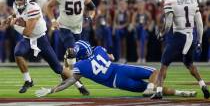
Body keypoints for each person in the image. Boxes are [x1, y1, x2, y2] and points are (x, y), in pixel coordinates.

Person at [35, 40, 197, 98]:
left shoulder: (80, 67)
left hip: (118, 83)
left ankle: (182, 93)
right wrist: (106, 55)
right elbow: (112, 57)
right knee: (155, 74)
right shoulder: (98, 49)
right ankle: (176, 92)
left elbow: (68, 82)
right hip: (120, 70)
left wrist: (51, 90)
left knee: (152, 89)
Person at [0, 0, 71, 93]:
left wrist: (13, 24)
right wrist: (8, 19)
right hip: (27, 39)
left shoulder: (33, 8)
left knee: (57, 68)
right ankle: (28, 80)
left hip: (40, 39)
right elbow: (16, 13)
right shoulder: (16, 6)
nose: (18, 2)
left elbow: (28, 31)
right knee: (18, 52)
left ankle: (78, 83)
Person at [151, 0, 210, 99]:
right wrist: (199, 41)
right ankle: (203, 85)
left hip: (178, 38)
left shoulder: (170, 2)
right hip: (191, 37)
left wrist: (161, 34)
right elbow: (199, 24)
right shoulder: (193, 0)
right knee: (190, 64)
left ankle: (158, 91)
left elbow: (168, 24)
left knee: (164, 65)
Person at [46, 0, 96, 95]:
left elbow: (92, 7)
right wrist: (53, 21)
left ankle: (65, 71)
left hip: (77, 28)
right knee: (72, 52)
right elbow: (48, 7)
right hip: (64, 26)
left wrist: (89, 18)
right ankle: (79, 84)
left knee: (72, 55)